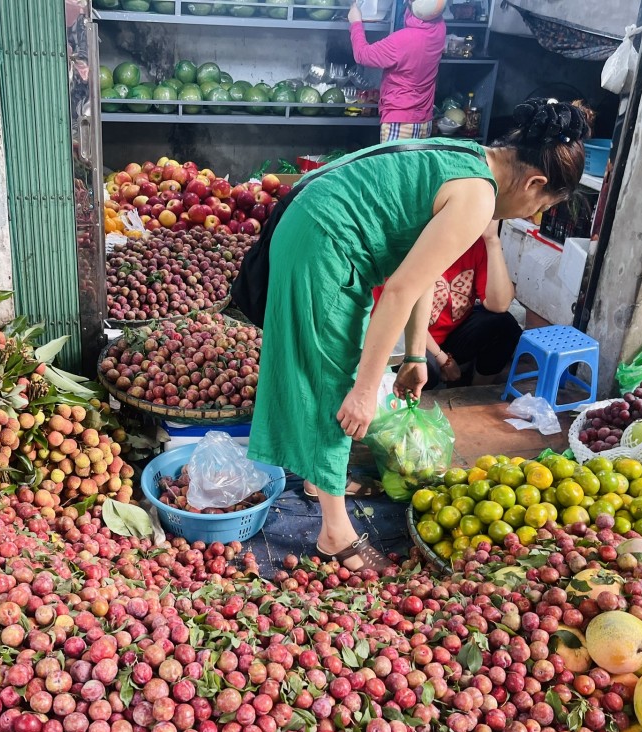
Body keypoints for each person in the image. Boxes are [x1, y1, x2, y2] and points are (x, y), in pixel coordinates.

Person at [247, 98, 594, 575]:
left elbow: (418, 268)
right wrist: (367, 389)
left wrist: (414, 354)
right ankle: (333, 532)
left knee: (336, 369)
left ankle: (320, 478)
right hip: (322, 241)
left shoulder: (470, 157)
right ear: (535, 183)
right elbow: (399, 291)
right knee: (334, 378)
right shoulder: (479, 197)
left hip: (313, 222)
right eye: (542, 206)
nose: (530, 216)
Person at [372, 220, 520, 390]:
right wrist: (443, 359)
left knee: (505, 325)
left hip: (449, 335)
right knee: (424, 369)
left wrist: (492, 240)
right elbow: (399, 315)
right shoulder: (411, 243)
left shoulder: (475, 243)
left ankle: (474, 394)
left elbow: (499, 304)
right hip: (406, 337)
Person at [349, 0, 446, 144]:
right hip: (424, 121)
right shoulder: (440, 29)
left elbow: (362, 55)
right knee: (415, 167)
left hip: (400, 122)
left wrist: (355, 23)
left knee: (393, 167)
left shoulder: (402, 40)